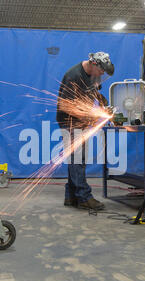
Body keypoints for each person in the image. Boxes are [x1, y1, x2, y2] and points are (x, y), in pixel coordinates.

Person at [56, 52, 114, 211]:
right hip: (69, 120)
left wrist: (103, 104)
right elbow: (66, 106)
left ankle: (71, 195)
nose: (102, 75)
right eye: (101, 71)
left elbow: (94, 91)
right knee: (78, 159)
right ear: (94, 64)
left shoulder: (95, 74)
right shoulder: (73, 76)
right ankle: (84, 197)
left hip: (81, 120)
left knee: (76, 159)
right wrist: (89, 115)